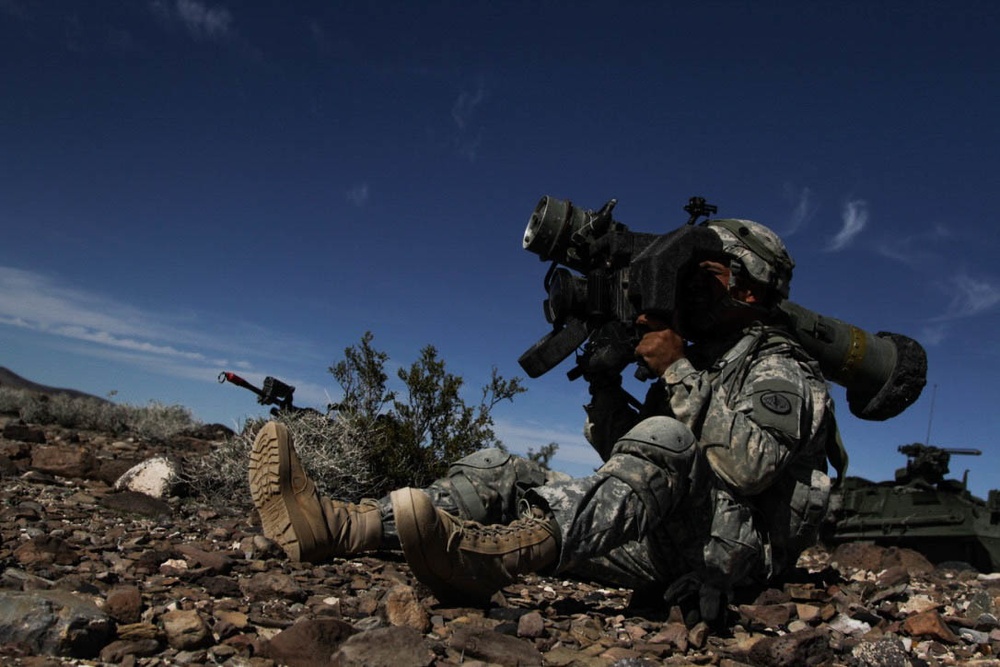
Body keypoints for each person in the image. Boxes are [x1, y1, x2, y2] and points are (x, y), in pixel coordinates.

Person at [248, 217, 842, 620]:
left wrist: (676, 370)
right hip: (666, 542)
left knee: (663, 435)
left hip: (727, 557)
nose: (692, 291)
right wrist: (607, 383)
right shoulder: (695, 356)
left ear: (751, 290)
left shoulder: (782, 368)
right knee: (499, 470)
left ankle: (491, 559)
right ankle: (342, 528)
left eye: (708, 278)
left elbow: (748, 467)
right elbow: (625, 464)